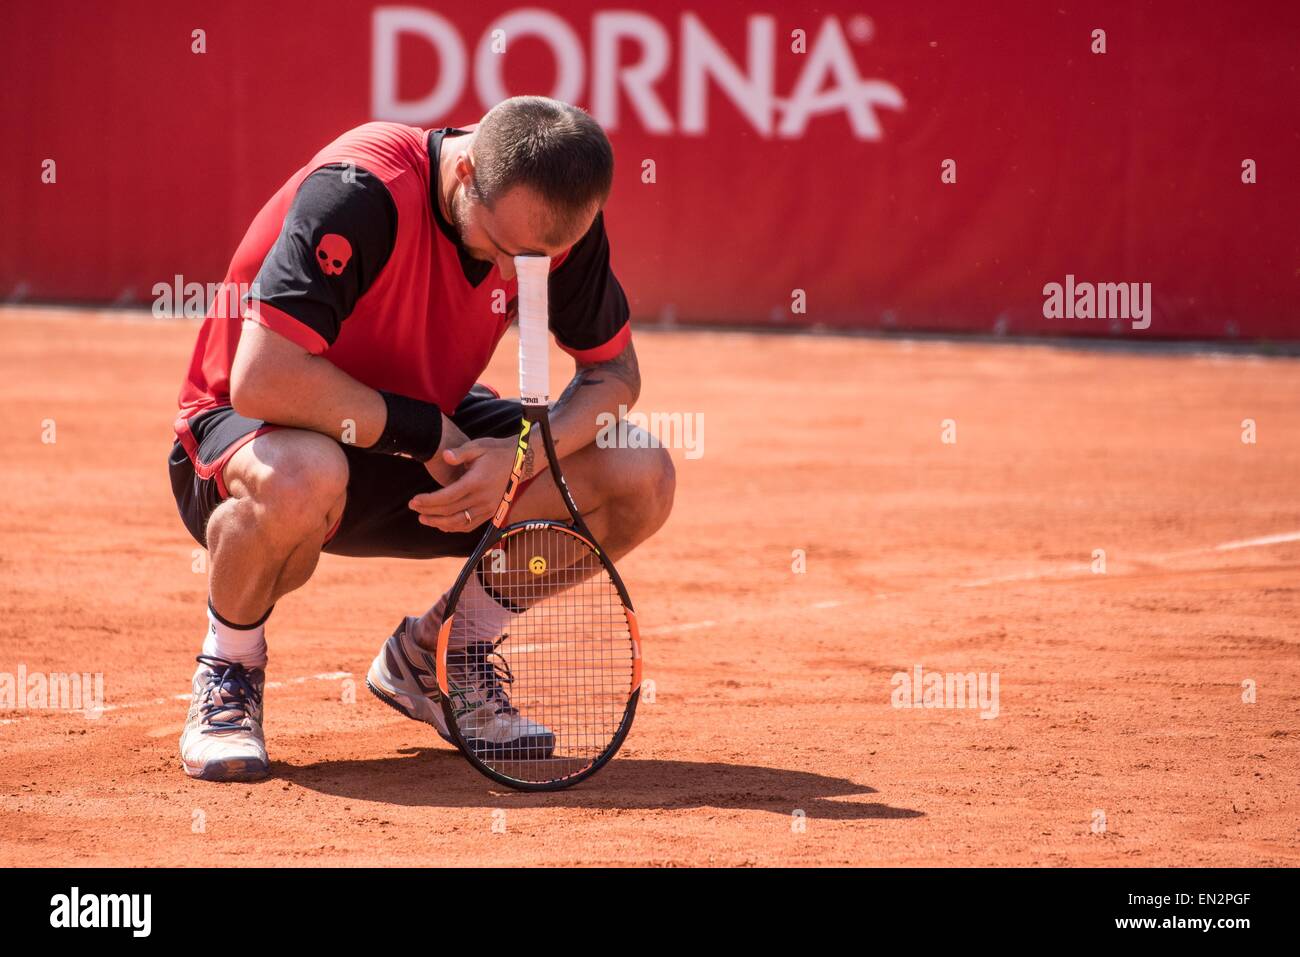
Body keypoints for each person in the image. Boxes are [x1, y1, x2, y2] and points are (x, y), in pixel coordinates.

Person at [167, 96, 675, 781]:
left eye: (535, 263)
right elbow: (263, 377)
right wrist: (424, 429)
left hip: (421, 432)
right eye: (499, 249)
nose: (509, 276)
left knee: (638, 472)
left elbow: (614, 374)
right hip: (263, 429)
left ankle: (439, 655)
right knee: (302, 473)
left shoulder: (552, 215)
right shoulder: (360, 193)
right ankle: (229, 669)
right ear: (466, 173)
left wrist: (520, 455)